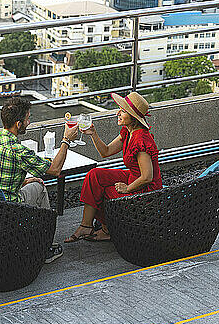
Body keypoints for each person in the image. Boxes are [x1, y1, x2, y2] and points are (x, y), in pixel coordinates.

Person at [0, 96, 78, 262]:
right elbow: (55, 170)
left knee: (32, 181)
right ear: (18, 124)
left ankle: (29, 234)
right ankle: (45, 247)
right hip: (7, 210)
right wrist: (66, 140)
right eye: (28, 119)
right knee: (40, 187)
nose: (29, 122)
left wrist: (23, 181)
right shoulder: (19, 151)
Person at [65, 91, 162, 243]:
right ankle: (86, 225)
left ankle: (107, 229)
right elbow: (106, 151)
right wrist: (93, 134)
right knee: (94, 175)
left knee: (104, 191)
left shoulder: (140, 140)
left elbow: (147, 177)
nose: (118, 113)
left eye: (123, 111)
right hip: (133, 178)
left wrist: (127, 189)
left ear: (133, 117)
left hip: (146, 191)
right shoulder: (128, 132)